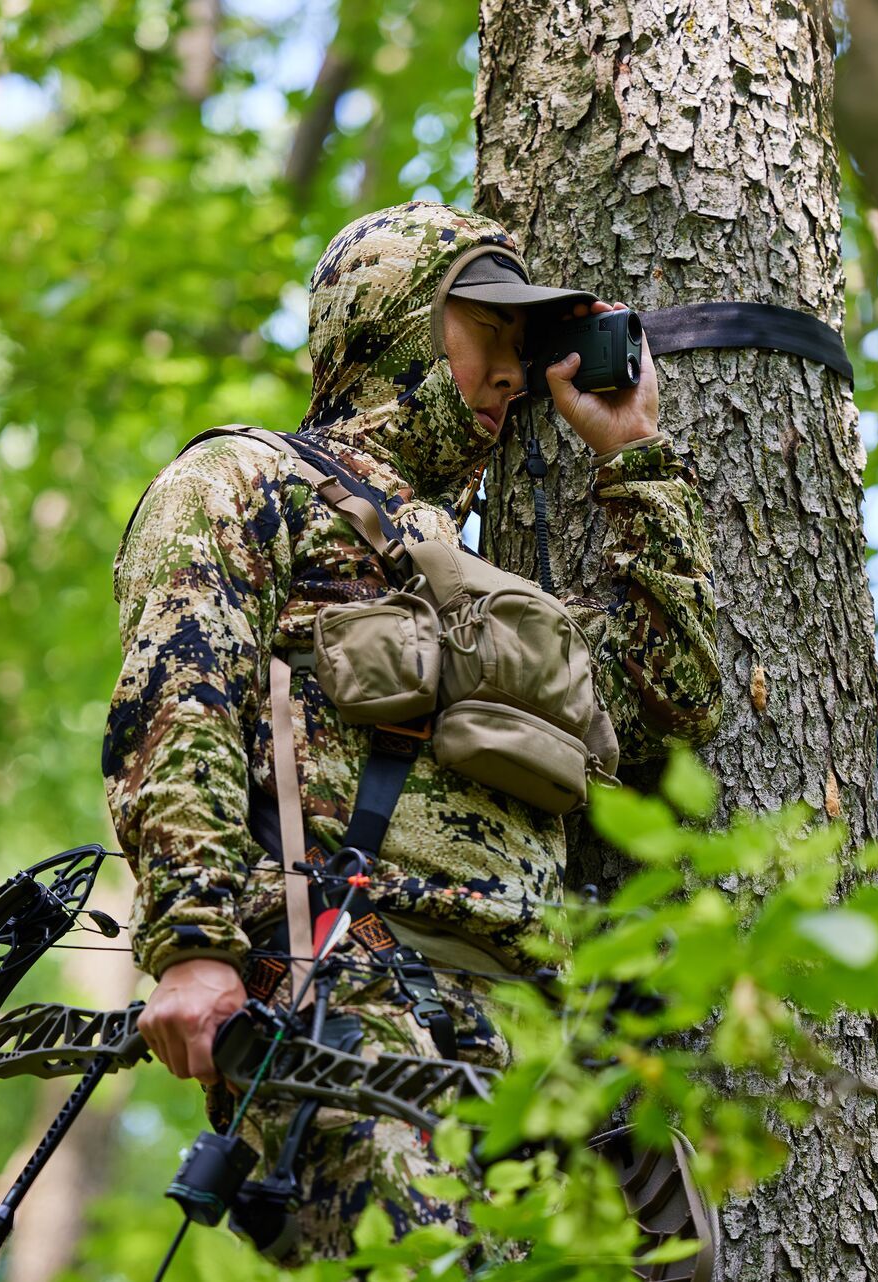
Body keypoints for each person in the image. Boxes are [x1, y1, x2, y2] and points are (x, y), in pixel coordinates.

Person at [103, 201, 720, 1260]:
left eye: (529, 343)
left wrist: (634, 458)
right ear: (397, 326)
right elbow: (180, 703)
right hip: (348, 983)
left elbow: (671, 701)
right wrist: (196, 948)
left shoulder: (485, 582)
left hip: (535, 1031)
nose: (515, 370)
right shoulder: (248, 482)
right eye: (492, 328)